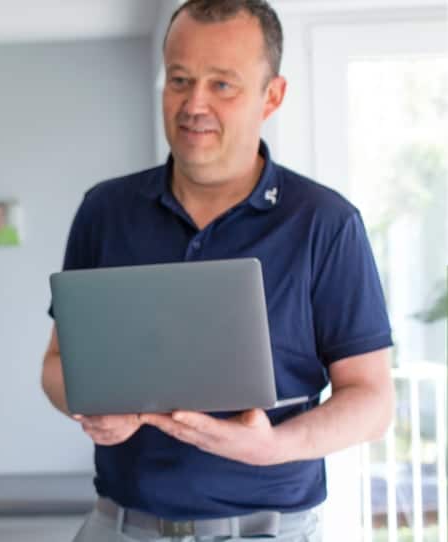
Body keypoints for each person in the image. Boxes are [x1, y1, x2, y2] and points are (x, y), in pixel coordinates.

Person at [39, 1, 395, 540]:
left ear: (272, 96)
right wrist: (89, 405)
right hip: (119, 525)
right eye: (179, 80)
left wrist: (274, 447)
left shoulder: (326, 222)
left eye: (222, 85)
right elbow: (56, 364)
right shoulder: (104, 210)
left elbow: (372, 401)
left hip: (267, 529)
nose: (194, 104)